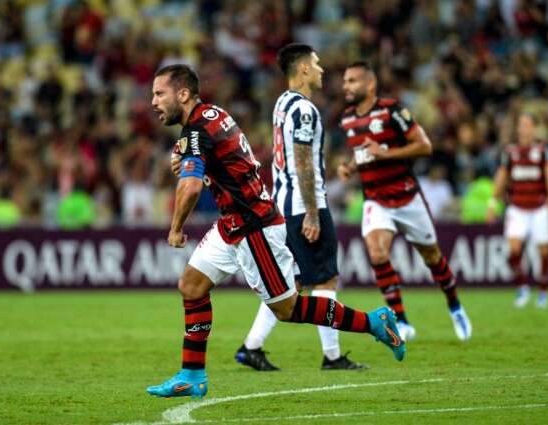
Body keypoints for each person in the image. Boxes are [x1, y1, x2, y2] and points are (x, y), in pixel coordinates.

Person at [146, 64, 405, 399]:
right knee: (192, 286)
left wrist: (176, 227)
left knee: (288, 309)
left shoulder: (195, 131)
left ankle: (373, 322)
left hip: (254, 226)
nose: (153, 101)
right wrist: (187, 154)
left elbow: (192, 186)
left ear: (182, 94)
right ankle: (192, 374)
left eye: (159, 93)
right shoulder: (211, 115)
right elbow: (213, 157)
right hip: (232, 223)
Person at [233, 43, 365, 372]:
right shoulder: (304, 110)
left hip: (282, 204)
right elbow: (303, 163)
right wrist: (311, 213)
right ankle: (332, 357)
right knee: (325, 281)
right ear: (304, 68)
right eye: (317, 64)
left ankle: (251, 347)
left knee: (293, 284)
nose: (322, 70)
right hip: (304, 205)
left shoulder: (282, 103)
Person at [337, 62, 472, 342]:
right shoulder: (347, 119)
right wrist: (349, 167)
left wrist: (384, 153)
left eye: (352, 81)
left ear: (370, 84)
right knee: (376, 254)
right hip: (375, 200)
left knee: (433, 258)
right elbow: (364, 153)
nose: (345, 86)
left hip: (407, 197)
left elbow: (424, 146)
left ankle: (455, 307)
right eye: (345, 81)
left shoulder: (392, 111)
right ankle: (402, 320)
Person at [486, 113, 548, 308]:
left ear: (534, 128)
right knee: (514, 250)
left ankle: (543, 290)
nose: (523, 129)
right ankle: (522, 287)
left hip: (539, 207)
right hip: (517, 207)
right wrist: (492, 202)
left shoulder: (543, 149)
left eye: (527, 125)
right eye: (521, 125)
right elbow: (501, 176)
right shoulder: (510, 151)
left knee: (544, 251)